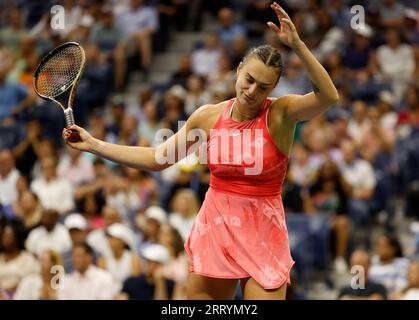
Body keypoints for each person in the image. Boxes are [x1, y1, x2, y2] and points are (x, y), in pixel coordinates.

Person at [63, 2, 339, 300]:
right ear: (238, 70)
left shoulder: (281, 114)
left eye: (263, 87)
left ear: (272, 88)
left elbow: (328, 96)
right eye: (248, 79)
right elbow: (158, 159)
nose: (252, 91)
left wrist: (297, 45)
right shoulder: (207, 116)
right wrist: (95, 145)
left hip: (263, 228)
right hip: (216, 224)